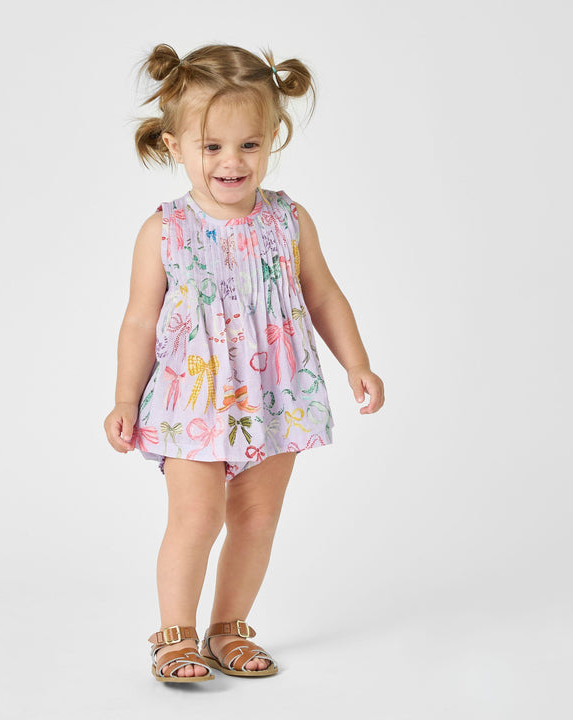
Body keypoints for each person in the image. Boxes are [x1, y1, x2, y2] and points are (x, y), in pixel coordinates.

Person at [103, 43, 384, 683]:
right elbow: (140, 321)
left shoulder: (289, 219)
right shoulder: (165, 230)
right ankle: (175, 636)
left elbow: (322, 294)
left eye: (248, 145)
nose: (232, 162)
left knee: (256, 520)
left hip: (275, 391)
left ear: (272, 138)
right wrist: (124, 398)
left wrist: (356, 363)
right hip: (194, 395)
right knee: (196, 517)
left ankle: (228, 628)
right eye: (211, 147)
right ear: (175, 146)